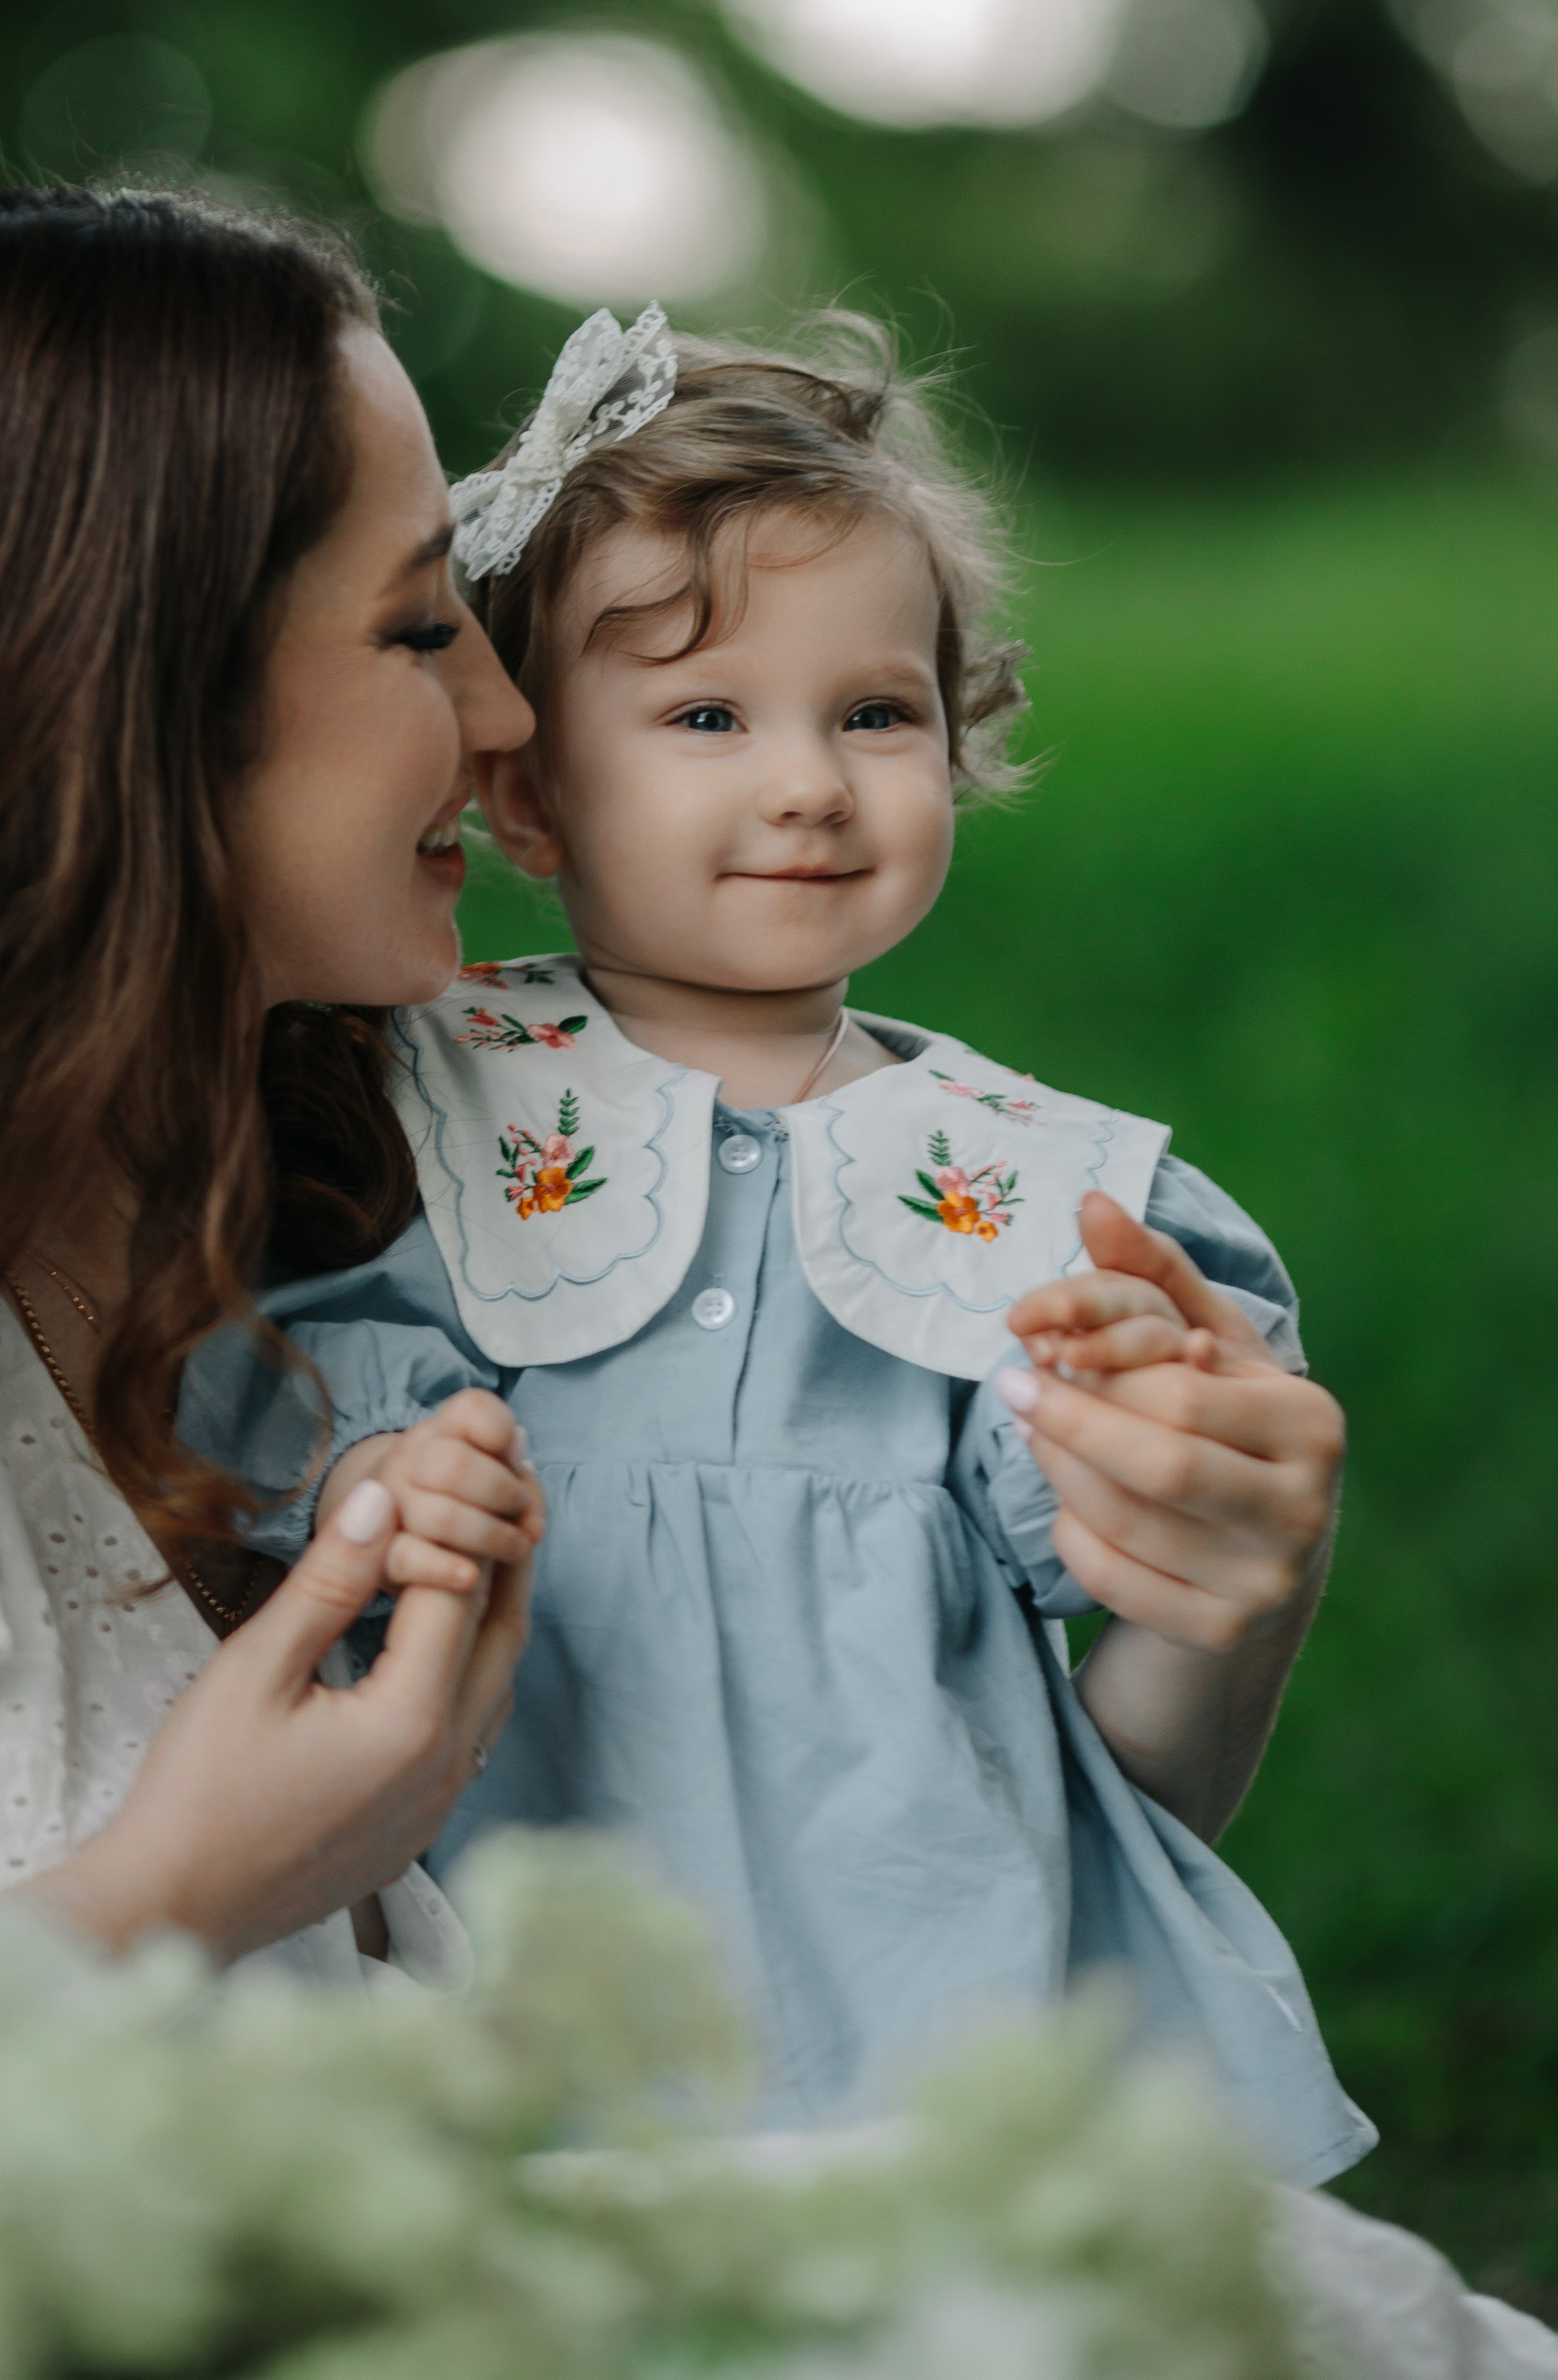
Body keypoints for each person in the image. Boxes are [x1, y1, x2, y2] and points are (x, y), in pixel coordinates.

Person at [181, 307, 1366, 2171]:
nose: (808, 781)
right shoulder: (405, 1097)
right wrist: (381, 1497)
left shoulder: (1042, 1193)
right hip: (500, 2011)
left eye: (873, 712)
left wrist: (1204, 1551)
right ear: (524, 787)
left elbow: (1140, 1757)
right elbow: (240, 1512)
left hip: (937, 2016)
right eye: (707, 716)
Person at [0, 185, 542, 1982]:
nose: (505, 713)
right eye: (420, 632)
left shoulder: (411, 1191)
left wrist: (1214, 1626)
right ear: (119, 692)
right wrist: (168, 1900)